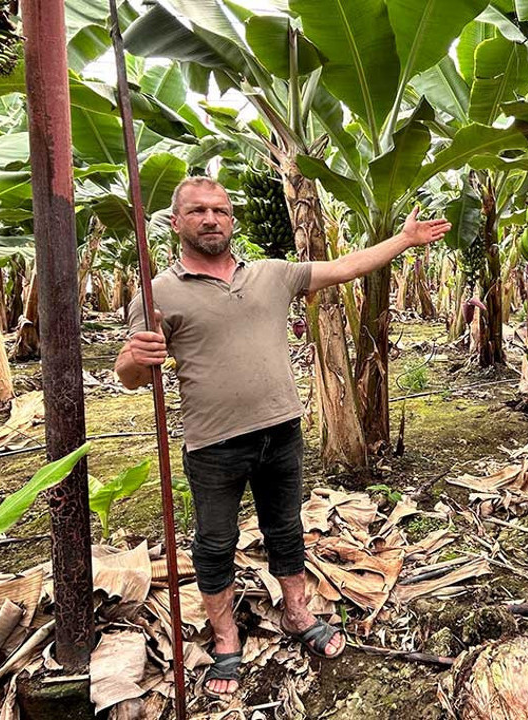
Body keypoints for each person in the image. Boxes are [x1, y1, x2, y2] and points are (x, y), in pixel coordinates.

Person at [115, 176, 450, 701]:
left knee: (285, 529)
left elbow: (343, 267)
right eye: (198, 211)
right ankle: (226, 639)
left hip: (281, 429)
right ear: (177, 222)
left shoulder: (271, 274)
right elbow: (130, 373)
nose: (211, 219)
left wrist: (403, 240)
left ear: (232, 220)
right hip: (214, 443)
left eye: (220, 211)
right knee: (215, 543)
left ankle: (297, 613)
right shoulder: (157, 294)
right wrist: (137, 359)